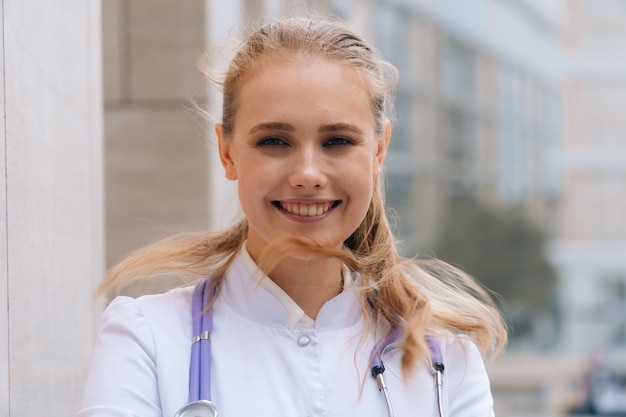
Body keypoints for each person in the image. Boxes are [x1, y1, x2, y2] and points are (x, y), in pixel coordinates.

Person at [77, 17, 507, 417]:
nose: (307, 174)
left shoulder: (445, 358)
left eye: (337, 140)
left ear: (379, 151)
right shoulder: (146, 339)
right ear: (227, 152)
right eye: (274, 141)